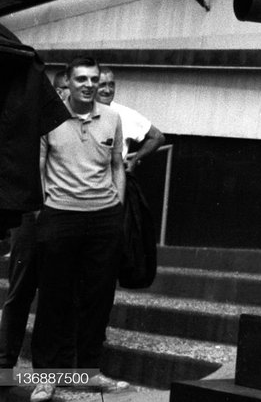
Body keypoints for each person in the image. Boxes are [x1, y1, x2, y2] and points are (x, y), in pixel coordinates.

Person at [30, 56, 128, 401]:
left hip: (103, 218)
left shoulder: (113, 117)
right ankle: (45, 375)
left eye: (93, 79)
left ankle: (88, 371)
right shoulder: (49, 119)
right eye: (81, 79)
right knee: (55, 298)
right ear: (68, 83)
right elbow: (40, 166)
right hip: (60, 216)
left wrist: (117, 205)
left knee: (97, 300)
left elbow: (117, 163)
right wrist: (47, 207)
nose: (88, 85)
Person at [0, 36, 69, 371]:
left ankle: (44, 372)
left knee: (53, 296)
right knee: (19, 293)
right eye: (68, 85)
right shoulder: (32, 116)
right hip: (30, 211)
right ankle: (4, 364)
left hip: (59, 214)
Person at [97, 65, 165, 172]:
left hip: (113, 177)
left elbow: (157, 137)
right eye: (102, 85)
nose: (108, 90)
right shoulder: (80, 112)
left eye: (111, 85)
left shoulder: (125, 114)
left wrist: (134, 160)